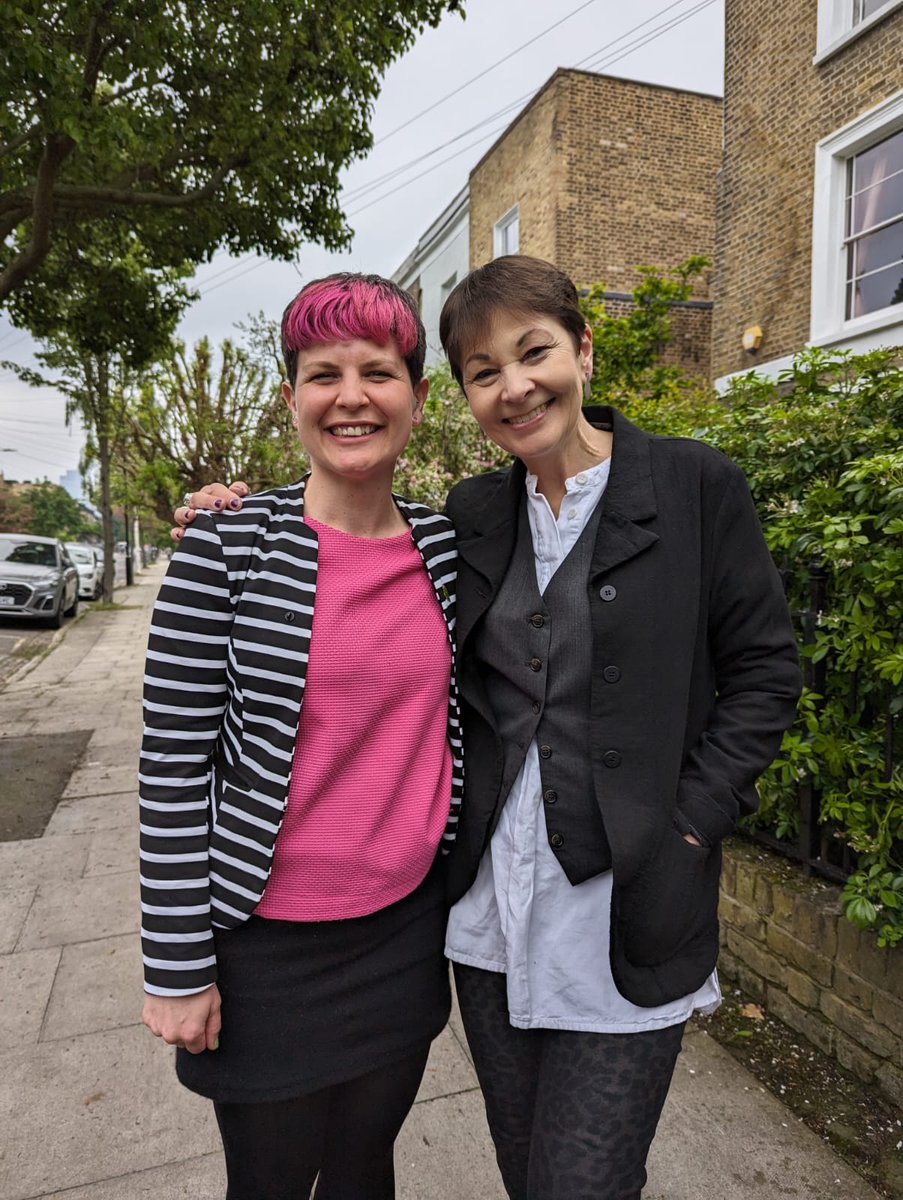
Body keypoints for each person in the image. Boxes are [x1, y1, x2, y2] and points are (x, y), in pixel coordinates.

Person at [177, 255, 802, 1200]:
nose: (515, 386)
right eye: (483, 370)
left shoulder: (693, 485)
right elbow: (342, 542)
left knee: (580, 1182)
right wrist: (232, 513)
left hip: (627, 905)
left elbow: (763, 673)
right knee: (522, 1173)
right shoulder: (469, 518)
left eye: (534, 352)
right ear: (459, 393)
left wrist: (691, 822)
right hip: (484, 920)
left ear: (583, 350)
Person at [141, 273, 462, 1200]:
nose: (352, 395)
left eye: (379, 371)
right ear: (291, 399)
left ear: (416, 396)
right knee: (273, 1183)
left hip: (402, 931)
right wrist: (175, 966)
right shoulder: (225, 547)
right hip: (263, 946)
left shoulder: (447, 548)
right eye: (324, 374)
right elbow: (170, 764)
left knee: (366, 1170)